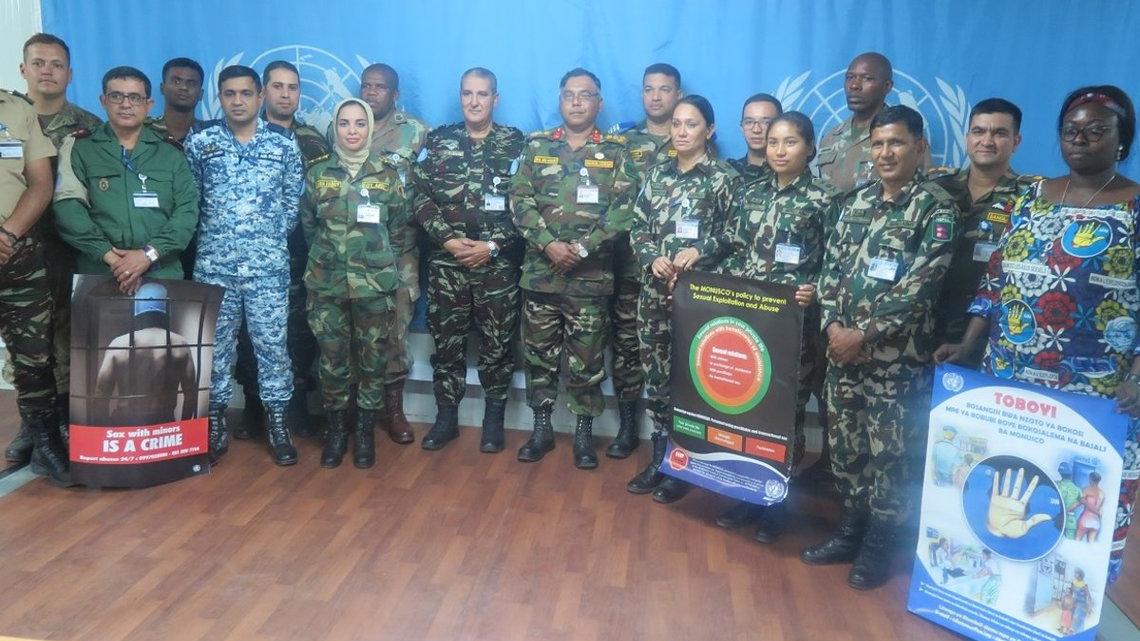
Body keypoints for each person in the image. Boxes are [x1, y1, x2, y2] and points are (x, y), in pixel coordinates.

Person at [939, 85, 1140, 584]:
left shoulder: (1135, 205)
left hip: (1096, 389)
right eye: (1072, 130)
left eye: (1096, 131)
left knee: (1079, 500)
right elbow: (995, 278)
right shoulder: (1031, 197)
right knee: (1010, 486)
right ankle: (995, 588)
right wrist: (968, 343)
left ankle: (1071, 598)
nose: (1081, 139)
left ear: (1122, 139)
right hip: (1010, 374)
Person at [802, 105, 960, 590]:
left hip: (896, 363)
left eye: (896, 143)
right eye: (878, 144)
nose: (886, 153)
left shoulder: (936, 208)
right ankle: (851, 529)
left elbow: (921, 286)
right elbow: (829, 271)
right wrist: (834, 328)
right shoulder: (855, 202)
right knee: (846, 449)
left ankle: (880, 543)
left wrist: (863, 335)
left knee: (890, 455)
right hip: (842, 356)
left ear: (919, 147)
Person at [704, 111, 834, 537]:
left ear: (810, 148)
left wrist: (815, 289)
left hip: (794, 327)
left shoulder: (826, 199)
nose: (779, 150)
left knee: (786, 413)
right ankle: (748, 496)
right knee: (750, 408)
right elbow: (734, 248)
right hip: (750, 320)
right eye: (774, 141)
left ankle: (778, 504)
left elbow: (837, 263)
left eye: (790, 142)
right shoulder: (751, 192)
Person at [510, 67, 637, 468]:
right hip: (541, 276)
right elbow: (519, 199)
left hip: (590, 279)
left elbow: (624, 210)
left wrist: (580, 248)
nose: (577, 102)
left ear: (599, 103)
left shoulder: (616, 152)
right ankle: (541, 430)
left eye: (586, 95)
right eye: (569, 95)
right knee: (539, 359)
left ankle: (584, 435)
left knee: (587, 361)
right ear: (560, 100)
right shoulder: (537, 146)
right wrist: (548, 244)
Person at [184, 65, 303, 467]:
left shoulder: (283, 145)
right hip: (215, 269)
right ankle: (215, 423)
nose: (238, 101)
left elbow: (292, 205)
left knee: (272, 348)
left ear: (260, 97)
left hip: (267, 270)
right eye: (229, 94)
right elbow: (192, 202)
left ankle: (278, 424)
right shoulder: (201, 143)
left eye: (246, 93)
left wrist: (262, 241)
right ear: (219, 97)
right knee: (215, 350)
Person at [623, 95, 740, 499]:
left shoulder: (724, 179)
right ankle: (661, 457)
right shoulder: (657, 174)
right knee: (657, 377)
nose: (682, 132)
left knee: (694, 380)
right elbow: (637, 227)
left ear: (710, 130)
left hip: (700, 301)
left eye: (692, 124)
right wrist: (651, 256)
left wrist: (700, 250)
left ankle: (688, 464)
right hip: (654, 295)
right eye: (676, 124)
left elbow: (736, 235)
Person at [414, 68, 525, 453]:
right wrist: (447, 240)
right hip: (448, 264)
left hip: (497, 266)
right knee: (447, 345)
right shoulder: (438, 140)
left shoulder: (516, 144)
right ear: (460, 96)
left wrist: (492, 246)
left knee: (498, 345)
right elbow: (419, 195)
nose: (474, 102)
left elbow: (527, 204)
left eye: (482, 94)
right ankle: (446, 419)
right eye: (467, 94)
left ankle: (493, 421)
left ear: (495, 98)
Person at [3, 33, 101, 464]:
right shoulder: (10, 115)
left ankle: (63, 420)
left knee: (65, 333)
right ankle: (33, 424)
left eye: (57, 64)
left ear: (70, 73)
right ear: (23, 69)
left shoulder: (88, 125)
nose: (47, 71)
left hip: (64, 247)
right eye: (39, 63)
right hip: (15, 248)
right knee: (23, 341)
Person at [301, 97, 412, 469]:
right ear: (335, 128)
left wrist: (376, 263)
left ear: (370, 128)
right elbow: (308, 226)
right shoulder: (318, 173)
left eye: (360, 123)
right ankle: (336, 431)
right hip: (326, 283)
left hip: (374, 285)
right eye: (344, 123)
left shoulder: (387, 175)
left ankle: (365, 432)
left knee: (372, 360)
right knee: (332, 361)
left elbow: (398, 229)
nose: (352, 131)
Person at [232, 60, 330, 440]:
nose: (286, 94)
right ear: (262, 92)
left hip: (301, 250)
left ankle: (298, 408)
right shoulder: (243, 136)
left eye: (293, 87)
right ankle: (255, 408)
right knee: (251, 333)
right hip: (254, 253)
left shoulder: (314, 141)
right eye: (277, 86)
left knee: (300, 332)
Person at [54, 66, 198, 290]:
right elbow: (68, 210)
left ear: (149, 104)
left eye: (135, 98)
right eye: (116, 96)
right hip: (100, 273)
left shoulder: (170, 153)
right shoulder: (80, 149)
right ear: (103, 101)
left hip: (161, 272)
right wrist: (111, 258)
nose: (126, 104)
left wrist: (148, 255)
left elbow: (187, 213)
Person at [603, 63, 684, 460]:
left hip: (674, 276)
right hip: (628, 266)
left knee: (672, 352)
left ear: (678, 95)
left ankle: (671, 435)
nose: (655, 96)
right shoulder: (623, 142)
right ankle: (627, 426)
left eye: (664, 89)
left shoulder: (690, 138)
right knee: (627, 346)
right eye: (649, 88)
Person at [930, 98, 1035, 367]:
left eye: (999, 133)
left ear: (1016, 141)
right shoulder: (935, 189)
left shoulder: (1030, 199)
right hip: (926, 326)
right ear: (967, 137)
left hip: (988, 333)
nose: (987, 141)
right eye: (978, 131)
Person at [0, 87, 70, 485]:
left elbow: (41, 182)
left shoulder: (18, 111)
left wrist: (8, 234)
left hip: (17, 253)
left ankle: (45, 441)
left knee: (34, 356)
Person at [358, 62, 428, 445]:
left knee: (395, 331)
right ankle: (355, 411)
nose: (371, 93)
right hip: (351, 251)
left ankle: (394, 409)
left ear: (395, 94)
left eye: (380, 87)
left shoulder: (416, 132)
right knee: (352, 332)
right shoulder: (344, 127)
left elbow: (428, 189)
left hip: (398, 250)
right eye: (366, 86)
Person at [815, 52, 931, 193]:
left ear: (887, 86)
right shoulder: (830, 137)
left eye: (867, 78)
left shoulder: (905, 136)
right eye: (850, 77)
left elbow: (925, 190)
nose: (854, 85)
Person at [91, 283, 197, 425]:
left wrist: (104, 431)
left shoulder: (119, 343)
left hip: (125, 421)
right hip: (164, 421)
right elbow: (191, 395)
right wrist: (183, 428)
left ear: (136, 308)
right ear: (167, 308)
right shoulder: (181, 344)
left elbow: (101, 396)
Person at [144, 58, 205, 149]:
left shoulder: (211, 133)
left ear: (201, 94)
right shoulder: (144, 129)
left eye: (191, 83)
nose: (184, 87)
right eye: (176, 81)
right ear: (162, 88)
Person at [727, 93, 782, 183]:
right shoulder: (728, 172)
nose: (756, 130)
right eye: (749, 122)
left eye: (766, 122)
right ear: (742, 128)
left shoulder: (788, 173)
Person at [1077, 471, 1105, 542]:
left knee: (1077, 540)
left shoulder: (1086, 490)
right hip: (1096, 521)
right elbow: (1101, 510)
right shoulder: (1102, 493)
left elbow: (1079, 503)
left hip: (1085, 519)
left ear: (1090, 479)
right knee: (1091, 543)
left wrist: (1068, 509)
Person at [1056, 462, 1082, 540]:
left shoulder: (1056, 485)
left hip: (1057, 518)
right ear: (1071, 474)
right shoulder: (1077, 489)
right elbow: (1081, 501)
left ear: (1060, 473)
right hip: (1070, 520)